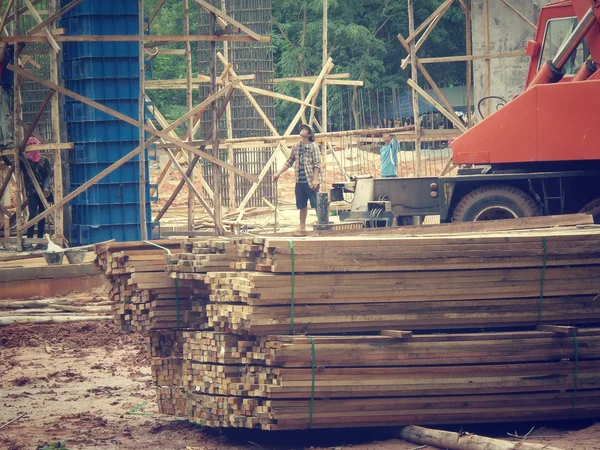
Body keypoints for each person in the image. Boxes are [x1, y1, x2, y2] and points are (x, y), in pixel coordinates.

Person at [273, 124, 322, 235]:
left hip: (310, 181)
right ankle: (302, 227)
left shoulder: (313, 147)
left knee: (316, 203)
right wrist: (278, 173)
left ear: (309, 134)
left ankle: (321, 224)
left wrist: (315, 180)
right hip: (300, 181)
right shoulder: (296, 147)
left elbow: (317, 164)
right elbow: (289, 162)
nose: (302, 130)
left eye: (305, 129)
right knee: (302, 205)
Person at [2, 137, 53, 241]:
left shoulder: (45, 161)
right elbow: (10, 163)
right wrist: (3, 152)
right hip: (31, 192)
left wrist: (46, 187)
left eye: (35, 144)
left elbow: (47, 175)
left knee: (42, 215)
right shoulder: (24, 161)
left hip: (44, 192)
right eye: (31, 144)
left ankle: (39, 238)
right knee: (33, 214)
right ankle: (29, 239)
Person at [0, 42, 25, 150]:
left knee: (5, 115)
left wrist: (21, 73)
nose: (20, 51)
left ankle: (3, 140)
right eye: (19, 48)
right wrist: (4, 46)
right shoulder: (6, 52)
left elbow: (18, 82)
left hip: (8, 88)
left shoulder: (14, 59)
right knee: (6, 116)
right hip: (2, 87)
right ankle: (8, 141)